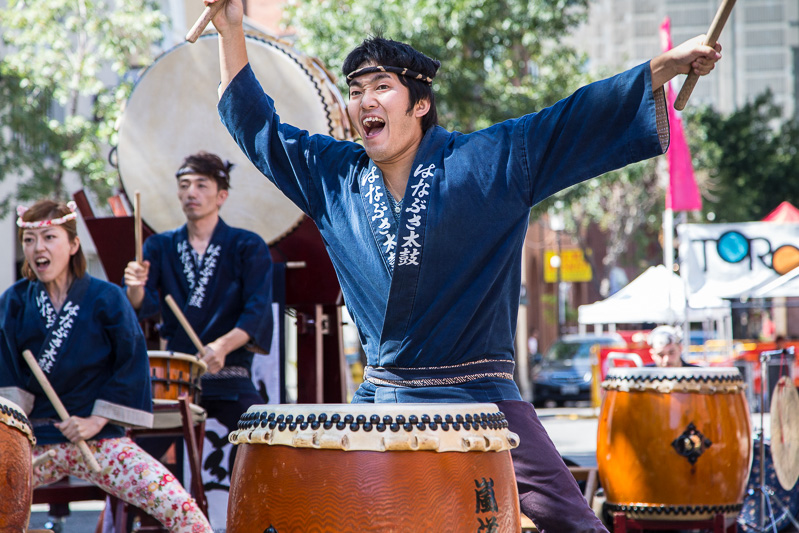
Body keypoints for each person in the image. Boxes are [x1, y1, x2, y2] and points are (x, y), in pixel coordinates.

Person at [208, 1, 722, 529]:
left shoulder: (489, 161)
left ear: (421, 103)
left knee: (578, 525)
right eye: (356, 91)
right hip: (385, 397)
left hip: (482, 398)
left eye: (381, 87)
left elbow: (571, 118)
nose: (365, 102)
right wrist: (230, 30)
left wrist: (664, 67)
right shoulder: (333, 177)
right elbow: (259, 128)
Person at [0, 199, 212, 532]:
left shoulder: (108, 298)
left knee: (182, 510)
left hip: (102, 439)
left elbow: (131, 363)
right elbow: (6, 373)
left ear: (73, 244)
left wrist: (95, 421)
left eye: (49, 237)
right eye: (29, 240)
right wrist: (19, 431)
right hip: (34, 442)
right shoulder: (13, 301)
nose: (38, 248)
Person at [123, 151, 274, 527]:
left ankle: (265, 519)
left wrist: (222, 346)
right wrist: (135, 289)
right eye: (185, 185)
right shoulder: (158, 247)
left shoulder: (247, 246)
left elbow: (257, 310)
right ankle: (145, 520)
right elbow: (144, 308)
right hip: (176, 378)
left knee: (263, 436)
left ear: (221, 194)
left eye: (201, 185)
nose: (191, 192)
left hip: (229, 373)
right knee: (136, 450)